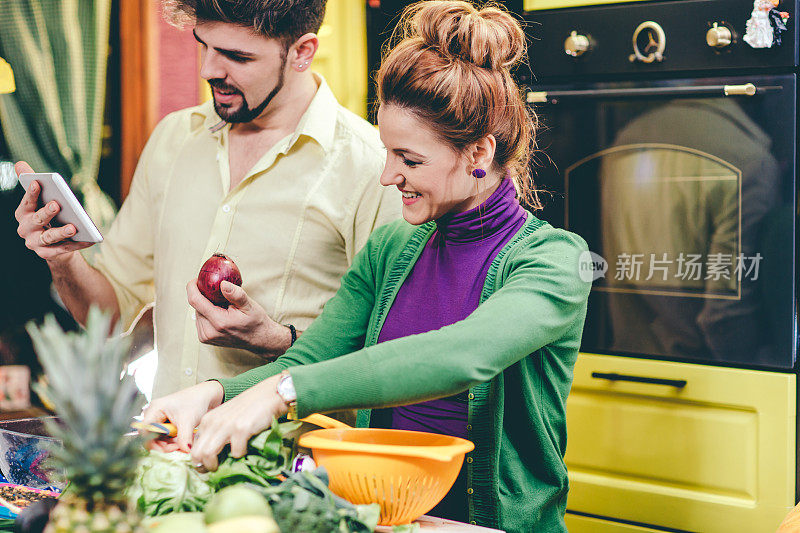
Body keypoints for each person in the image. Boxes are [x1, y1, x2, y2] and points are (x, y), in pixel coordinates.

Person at [144, 1, 591, 531]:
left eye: (410, 159)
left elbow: (460, 357)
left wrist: (280, 394)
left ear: (479, 152)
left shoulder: (557, 261)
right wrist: (213, 394)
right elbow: (310, 357)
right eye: (387, 152)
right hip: (391, 521)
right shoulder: (390, 250)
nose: (387, 176)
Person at [13, 0, 400, 399]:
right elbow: (109, 317)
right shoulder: (172, 140)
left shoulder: (371, 167)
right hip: (167, 452)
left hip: (290, 459)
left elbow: (390, 359)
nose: (209, 71)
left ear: (302, 52)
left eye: (237, 56)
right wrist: (64, 261)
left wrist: (278, 340)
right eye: (205, 45)